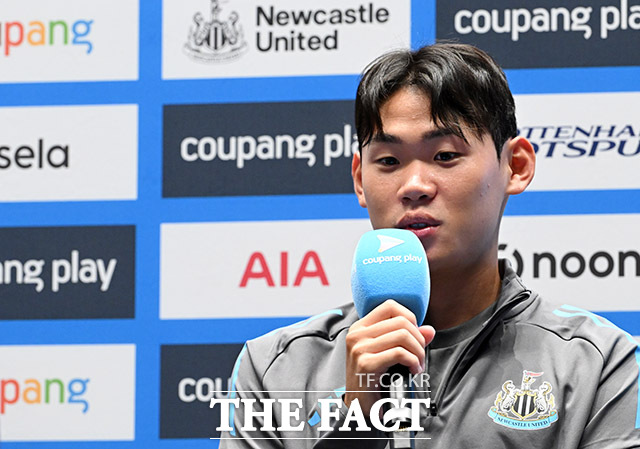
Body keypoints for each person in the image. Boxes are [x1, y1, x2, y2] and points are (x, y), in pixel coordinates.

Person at [218, 43, 640, 448]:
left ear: (515, 166)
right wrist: (356, 425)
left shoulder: (600, 363)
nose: (415, 186)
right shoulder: (273, 369)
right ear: (360, 179)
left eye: (444, 156)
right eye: (389, 161)